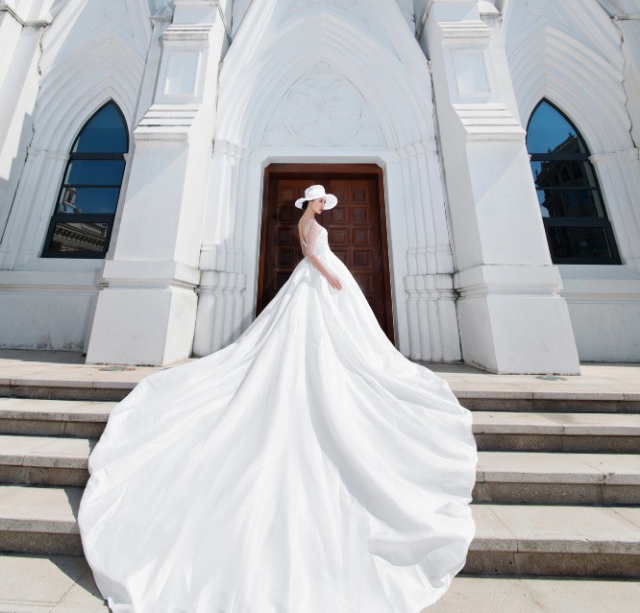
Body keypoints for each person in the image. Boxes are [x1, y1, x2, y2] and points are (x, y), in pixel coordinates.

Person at [79, 184, 477, 613]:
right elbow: (310, 255)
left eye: (325, 202)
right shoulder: (307, 223)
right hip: (314, 278)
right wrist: (330, 276)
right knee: (301, 340)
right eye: (322, 201)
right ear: (312, 202)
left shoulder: (313, 220)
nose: (325, 206)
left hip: (319, 278)